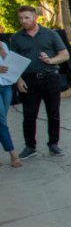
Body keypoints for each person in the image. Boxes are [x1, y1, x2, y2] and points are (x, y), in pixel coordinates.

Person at [10, 5, 69, 159]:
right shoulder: (16, 38)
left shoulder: (50, 34)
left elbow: (64, 55)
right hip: (29, 81)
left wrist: (50, 60)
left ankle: (53, 144)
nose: (24, 21)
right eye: (21, 18)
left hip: (50, 78)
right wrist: (19, 80)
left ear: (35, 17)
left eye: (27, 17)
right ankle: (30, 146)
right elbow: (13, 62)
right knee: (29, 115)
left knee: (53, 113)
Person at [0, 26, 22, 166]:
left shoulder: (4, 45)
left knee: (1, 120)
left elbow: (10, 65)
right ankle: (13, 154)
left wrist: (3, 54)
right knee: (1, 122)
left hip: (6, 85)